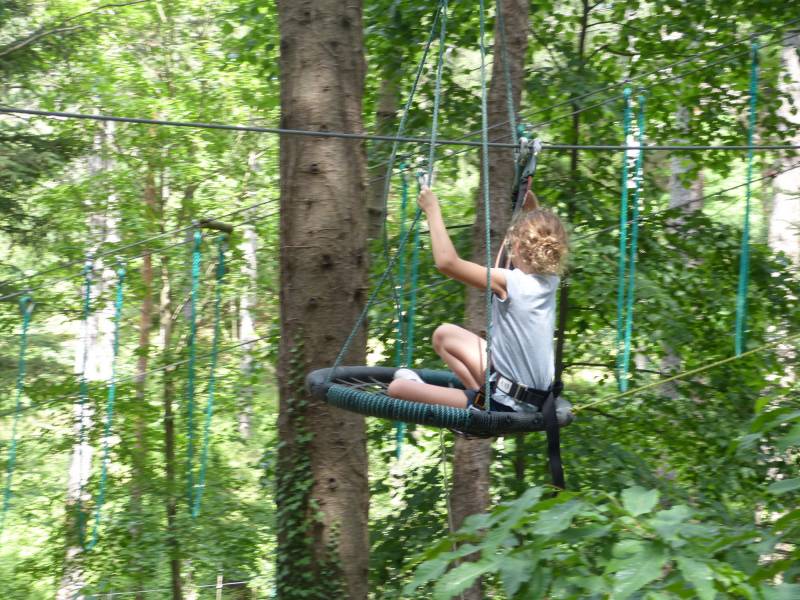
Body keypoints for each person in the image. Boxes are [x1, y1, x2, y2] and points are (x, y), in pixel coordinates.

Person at [387, 185, 568, 413]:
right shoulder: (550, 280)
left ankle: (483, 407)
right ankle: (482, 398)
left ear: (520, 247)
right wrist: (531, 206)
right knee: (444, 335)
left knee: (398, 388)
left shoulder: (511, 282)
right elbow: (535, 245)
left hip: (510, 405)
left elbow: (447, 262)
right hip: (533, 397)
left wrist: (432, 210)